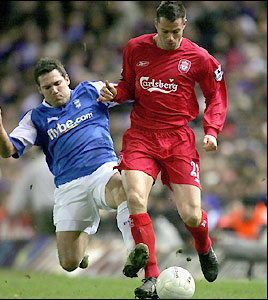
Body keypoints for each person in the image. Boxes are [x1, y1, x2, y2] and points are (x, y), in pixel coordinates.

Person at [97, 1, 227, 298]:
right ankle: (151, 276)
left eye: (176, 32)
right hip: (141, 136)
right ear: (156, 25)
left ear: (185, 25)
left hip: (179, 139)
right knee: (134, 197)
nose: (171, 38)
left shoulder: (199, 57)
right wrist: (115, 93)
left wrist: (211, 130)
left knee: (192, 216)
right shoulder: (135, 48)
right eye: (166, 31)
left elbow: (216, 94)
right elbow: (128, 86)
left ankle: (204, 246)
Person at [0, 57, 138, 274]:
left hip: (102, 170)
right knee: (69, 263)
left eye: (57, 83)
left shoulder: (90, 91)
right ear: (40, 89)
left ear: (67, 79)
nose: (54, 90)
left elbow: (128, 92)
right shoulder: (35, 118)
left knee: (123, 186)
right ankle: (82, 237)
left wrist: (123, 91)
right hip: (69, 185)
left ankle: (134, 251)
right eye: (47, 87)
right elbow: (7, 150)